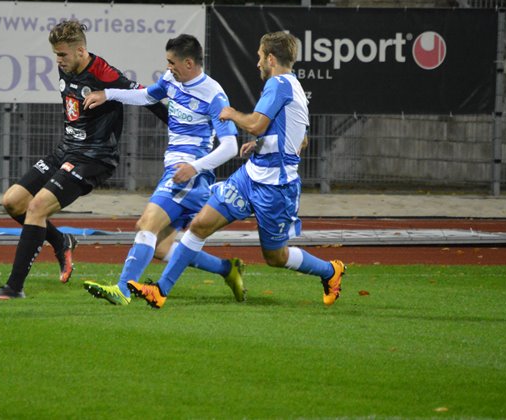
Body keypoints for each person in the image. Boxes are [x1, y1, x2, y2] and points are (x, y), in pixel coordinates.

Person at [127, 31, 345, 309]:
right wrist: (260, 145)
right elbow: (300, 137)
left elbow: (255, 124)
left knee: (275, 257)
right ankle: (160, 291)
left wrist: (231, 114)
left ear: (271, 58)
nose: (257, 63)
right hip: (249, 177)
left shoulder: (279, 84)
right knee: (200, 225)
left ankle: (330, 270)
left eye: (260, 57)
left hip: (276, 188)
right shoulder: (293, 86)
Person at [0, 20, 169, 300]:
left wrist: (179, 128)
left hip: (93, 157)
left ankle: (13, 288)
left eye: (62, 54)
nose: (58, 60)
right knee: (13, 201)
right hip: (66, 150)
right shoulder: (66, 66)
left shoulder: (104, 73)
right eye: (56, 54)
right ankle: (61, 241)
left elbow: (147, 97)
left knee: (36, 207)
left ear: (81, 51)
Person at [81, 34, 247, 306]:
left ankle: (122, 290)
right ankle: (227, 269)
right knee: (160, 247)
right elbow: (146, 96)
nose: (168, 67)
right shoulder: (171, 80)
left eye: (172, 62)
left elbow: (230, 146)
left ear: (189, 63)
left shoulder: (214, 95)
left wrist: (194, 167)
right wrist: (107, 94)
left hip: (188, 176)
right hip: (178, 172)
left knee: (147, 224)